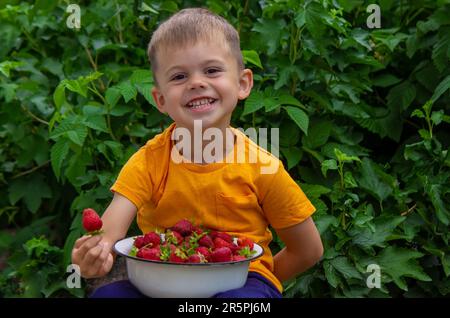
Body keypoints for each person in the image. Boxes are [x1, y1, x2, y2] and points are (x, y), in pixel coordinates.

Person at [71, 7, 323, 298]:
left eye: (212, 70)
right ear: (161, 99)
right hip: (159, 279)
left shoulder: (262, 167)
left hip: (241, 282)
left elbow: (308, 250)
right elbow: (109, 232)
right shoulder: (148, 162)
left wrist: (260, 277)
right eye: (179, 76)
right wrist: (93, 256)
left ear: (243, 84)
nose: (196, 82)